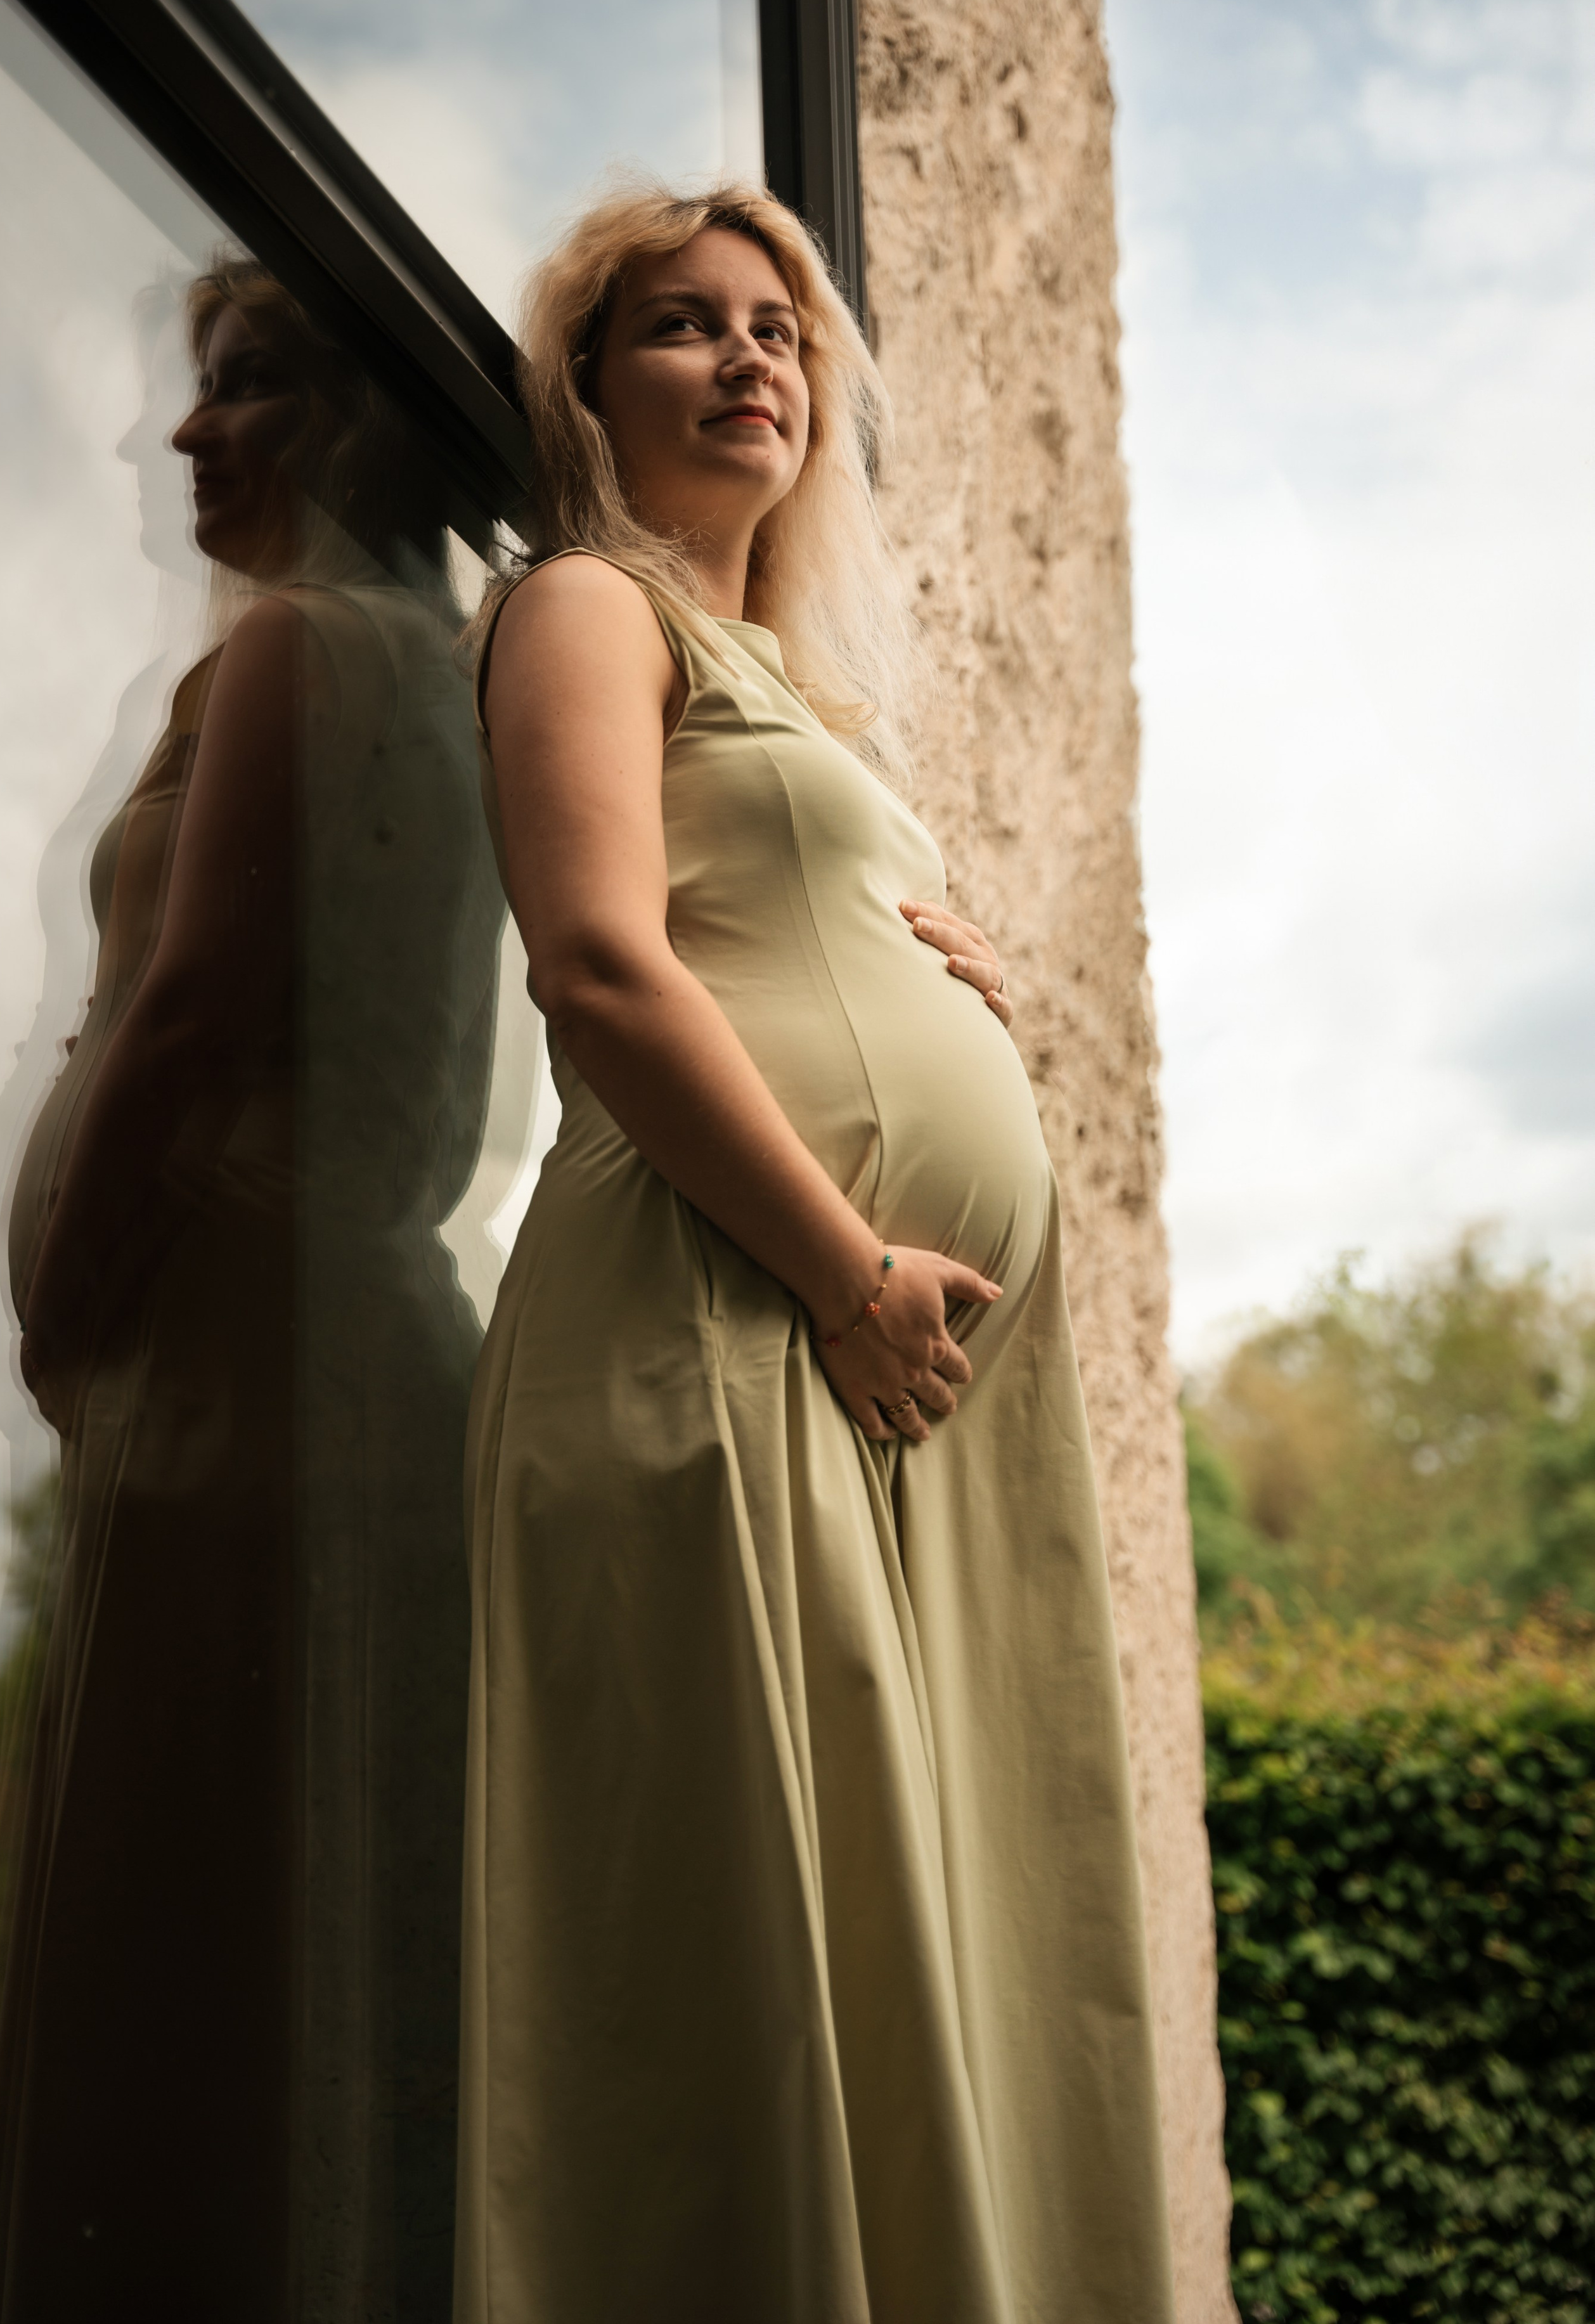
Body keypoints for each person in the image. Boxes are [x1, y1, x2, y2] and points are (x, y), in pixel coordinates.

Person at [458, 181, 1175, 2322]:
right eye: (682, 326)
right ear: (589, 387)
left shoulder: (781, 678)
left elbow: (771, 930)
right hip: (730, 1322)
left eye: (781, 330)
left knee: (896, 1949)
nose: (749, 358)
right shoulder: (590, 605)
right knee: (741, 1968)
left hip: (862, 1373)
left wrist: (958, 982)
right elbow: (596, 966)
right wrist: (855, 1272)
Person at [0, 258, 503, 2323]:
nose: (181, 434)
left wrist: (66, 1304)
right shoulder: (427, 675)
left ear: (361, 425)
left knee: (200, 1932)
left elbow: (190, 1015)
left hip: (246, 1383)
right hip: (316, 1373)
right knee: (301, 1933)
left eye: (248, 388)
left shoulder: (302, 646)